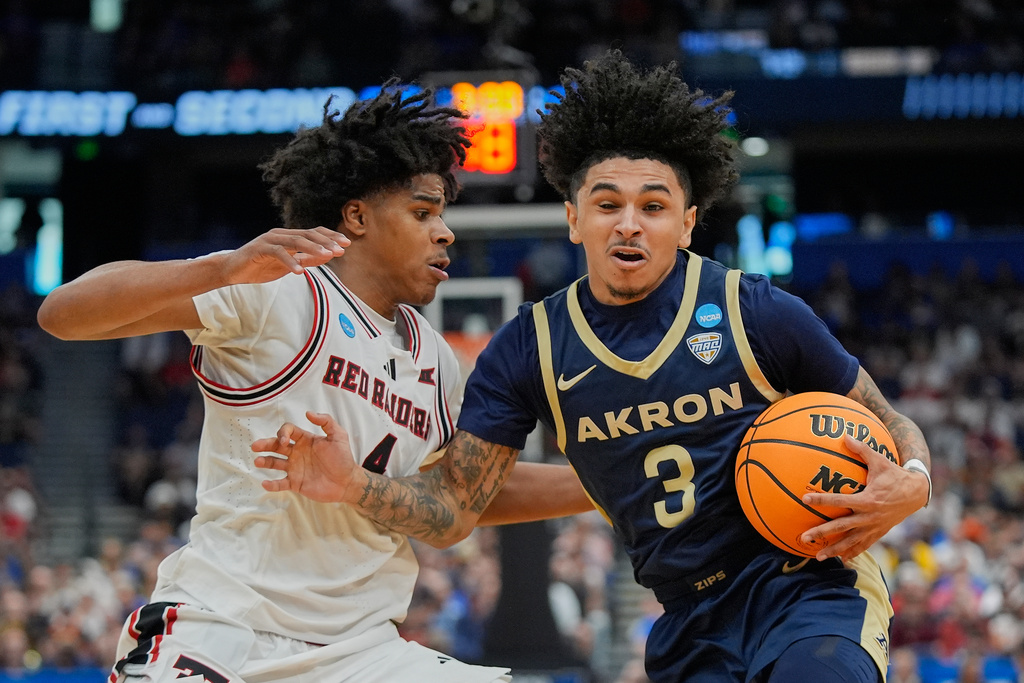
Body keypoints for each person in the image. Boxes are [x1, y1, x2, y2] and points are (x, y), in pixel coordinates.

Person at [251, 51, 934, 682]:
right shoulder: (532, 347)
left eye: (654, 206)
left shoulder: (753, 310)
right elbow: (455, 508)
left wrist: (913, 479)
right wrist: (353, 486)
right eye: (608, 204)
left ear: (688, 223)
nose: (629, 224)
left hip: (809, 587)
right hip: (688, 618)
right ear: (575, 218)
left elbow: (889, 419)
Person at [36, 82, 591, 683]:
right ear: (357, 215)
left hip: (362, 652)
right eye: (423, 212)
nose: (445, 232)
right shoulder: (282, 291)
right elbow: (64, 313)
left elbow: (463, 496)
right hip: (226, 628)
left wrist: (610, 483)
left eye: (442, 215)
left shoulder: (437, 359)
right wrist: (221, 267)